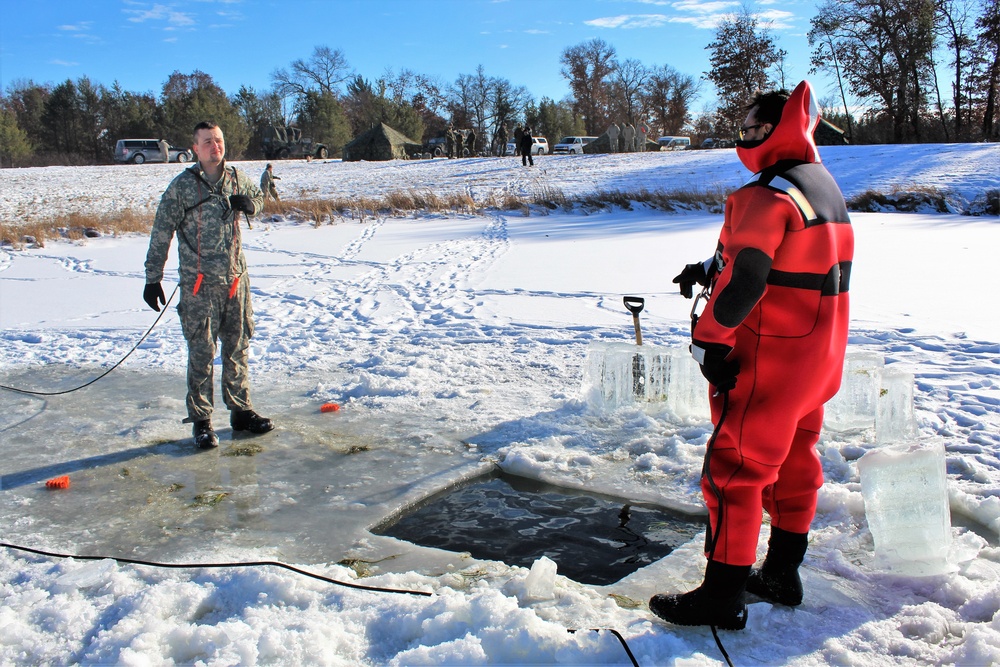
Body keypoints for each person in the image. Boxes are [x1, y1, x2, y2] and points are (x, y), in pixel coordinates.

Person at [649, 81, 854, 630]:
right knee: (794, 462)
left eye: (751, 127)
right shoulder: (822, 187)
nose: (743, 136)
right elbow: (785, 260)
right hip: (817, 363)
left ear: (781, 127)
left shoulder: (763, 194)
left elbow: (749, 279)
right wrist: (706, 267)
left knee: (734, 473)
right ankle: (783, 574)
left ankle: (721, 597)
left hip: (771, 362)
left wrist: (709, 342)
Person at [142, 121, 274, 449]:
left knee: (237, 346)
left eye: (218, 140)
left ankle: (241, 411)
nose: (214, 147)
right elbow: (162, 230)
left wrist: (251, 205)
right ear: (195, 148)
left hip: (235, 281)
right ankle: (201, 420)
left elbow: (259, 197)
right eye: (207, 142)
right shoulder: (182, 187)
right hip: (199, 286)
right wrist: (152, 277)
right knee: (201, 351)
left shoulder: (236, 177)